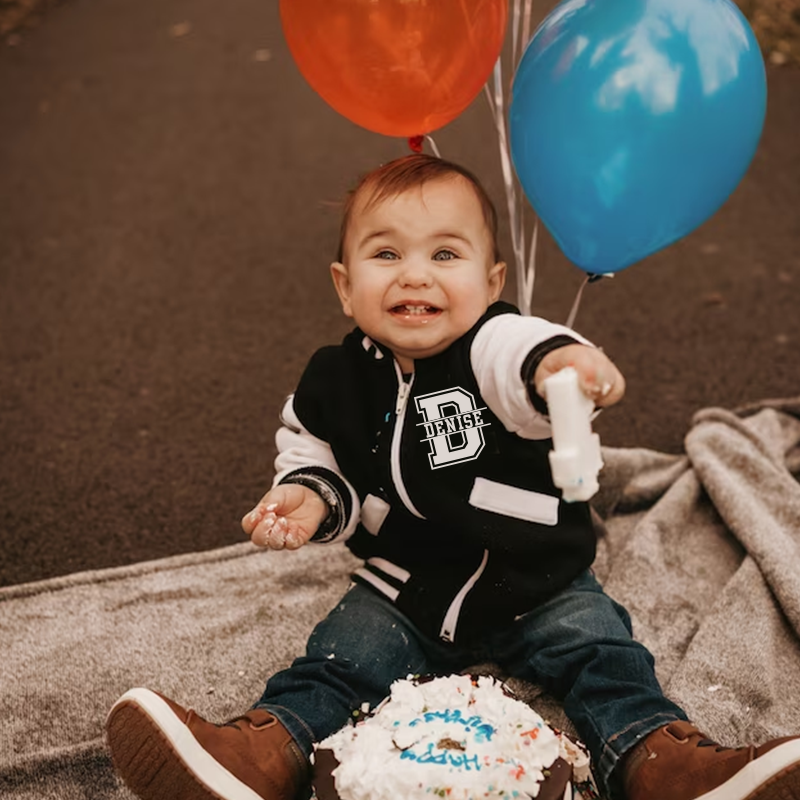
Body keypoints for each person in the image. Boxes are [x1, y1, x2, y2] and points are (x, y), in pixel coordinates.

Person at [105, 154, 800, 800]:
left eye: (445, 253)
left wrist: (560, 365)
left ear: (492, 282)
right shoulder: (332, 380)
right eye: (386, 254)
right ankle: (259, 754)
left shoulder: (492, 348)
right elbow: (316, 454)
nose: (414, 274)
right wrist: (310, 498)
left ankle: (664, 762)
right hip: (404, 586)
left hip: (539, 582)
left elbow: (524, 353)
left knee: (606, 657)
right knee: (336, 660)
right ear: (345, 286)